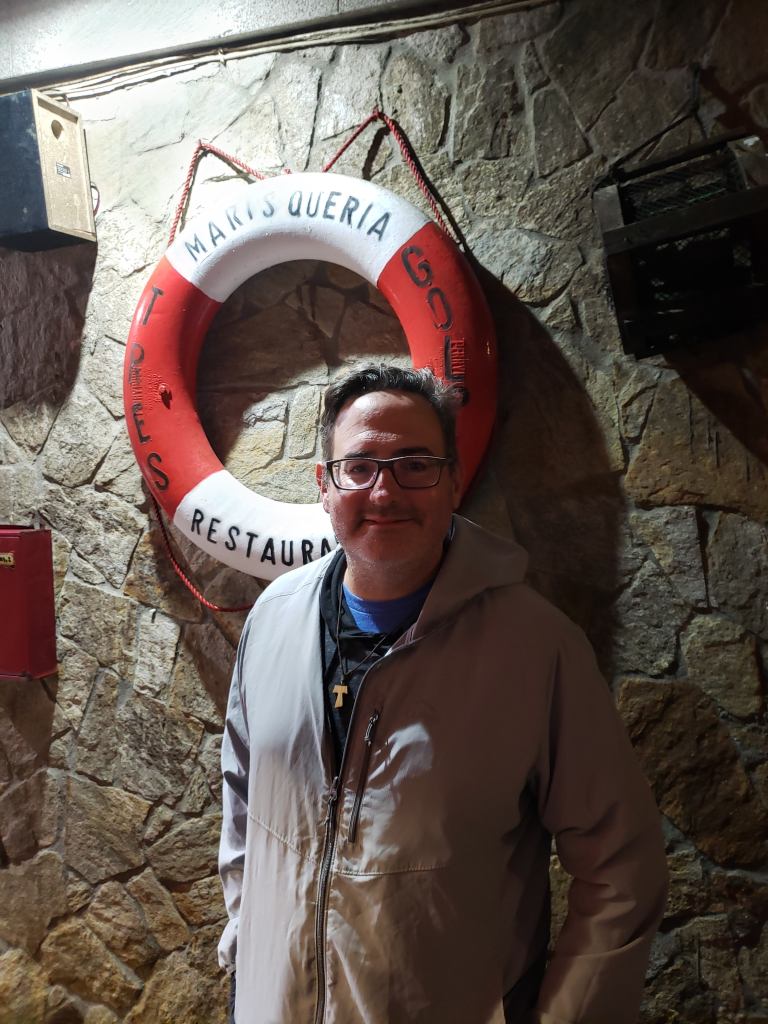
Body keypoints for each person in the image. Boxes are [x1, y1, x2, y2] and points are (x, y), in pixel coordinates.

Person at [218, 364, 668, 1024]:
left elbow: (623, 866)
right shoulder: (272, 619)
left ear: (453, 481)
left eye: (415, 465)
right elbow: (241, 800)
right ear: (325, 485)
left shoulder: (537, 647)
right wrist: (247, 948)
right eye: (360, 466)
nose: (385, 490)